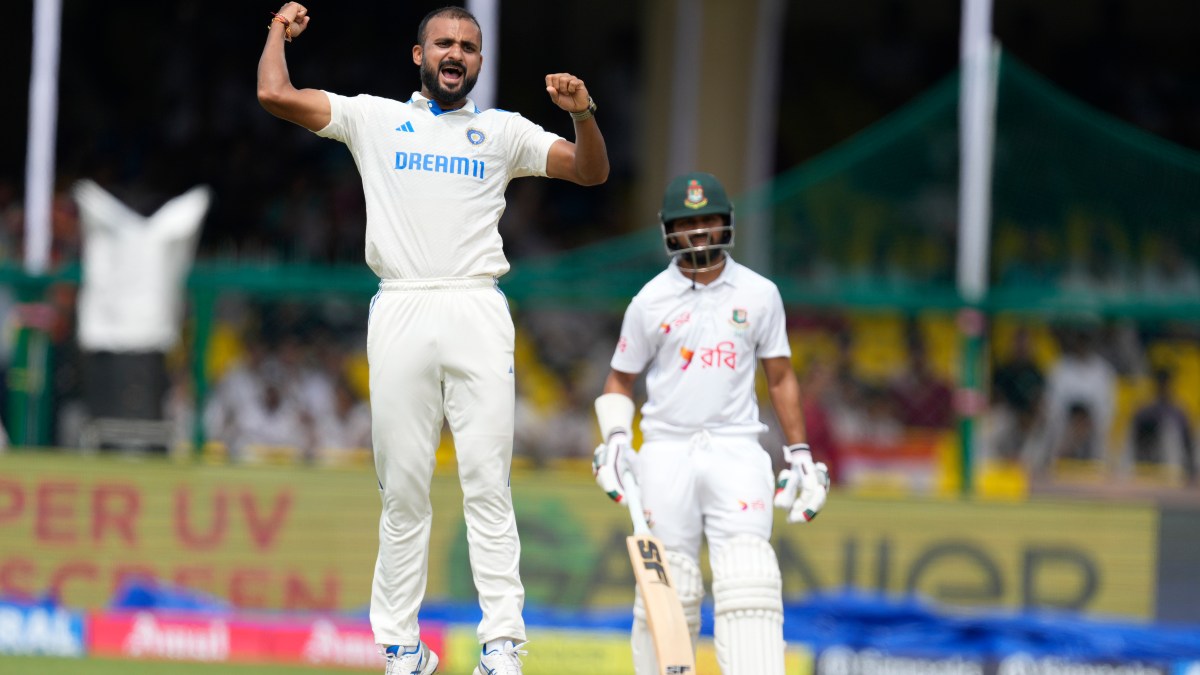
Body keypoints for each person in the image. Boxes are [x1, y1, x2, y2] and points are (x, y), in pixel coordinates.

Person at [257, 5, 610, 674]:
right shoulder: (375, 118)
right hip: (402, 303)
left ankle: (503, 645)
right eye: (443, 43)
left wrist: (583, 113)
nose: (456, 53)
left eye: (468, 46)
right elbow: (274, 94)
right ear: (417, 56)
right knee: (404, 489)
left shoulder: (502, 132)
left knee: (487, 482)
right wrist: (277, 30)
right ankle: (400, 648)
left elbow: (589, 172)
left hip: (477, 305)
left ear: (479, 62)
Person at [592, 172, 829, 675]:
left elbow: (781, 376)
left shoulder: (760, 294)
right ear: (669, 231)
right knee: (667, 584)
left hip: (736, 447)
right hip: (666, 448)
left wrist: (801, 453)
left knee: (749, 579)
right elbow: (618, 381)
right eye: (687, 223)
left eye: (708, 220)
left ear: (726, 222)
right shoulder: (649, 301)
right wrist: (615, 440)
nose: (699, 231)